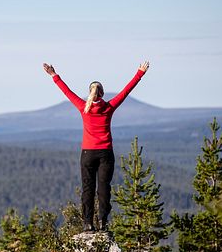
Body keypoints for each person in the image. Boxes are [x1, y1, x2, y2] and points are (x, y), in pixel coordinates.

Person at [43, 61, 150, 232]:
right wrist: (140, 72)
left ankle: (87, 223)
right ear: (102, 93)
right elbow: (126, 91)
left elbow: (67, 92)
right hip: (106, 153)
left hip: (87, 153)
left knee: (88, 188)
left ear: (90, 93)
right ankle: (103, 222)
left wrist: (54, 75)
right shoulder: (109, 107)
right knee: (103, 188)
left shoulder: (83, 107)